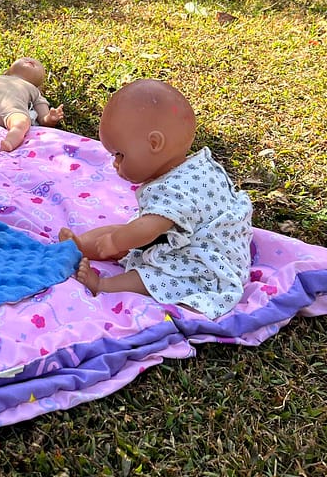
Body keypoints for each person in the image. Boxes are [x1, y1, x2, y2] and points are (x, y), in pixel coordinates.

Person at [59, 79, 253, 319]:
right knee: (129, 231)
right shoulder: (198, 166)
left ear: (154, 143)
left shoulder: (172, 190)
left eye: (119, 154)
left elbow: (149, 229)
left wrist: (116, 242)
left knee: (148, 271)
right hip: (197, 240)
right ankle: (80, 245)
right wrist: (121, 237)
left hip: (204, 266)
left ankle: (103, 286)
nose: (115, 164)